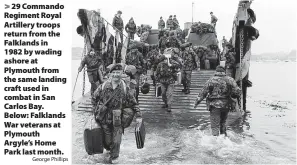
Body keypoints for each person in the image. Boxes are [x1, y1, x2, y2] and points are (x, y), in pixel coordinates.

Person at [92, 63, 142, 164]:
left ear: (121, 73)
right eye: (114, 73)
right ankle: (110, 151)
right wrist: (96, 110)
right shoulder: (103, 86)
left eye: (118, 73)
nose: (116, 75)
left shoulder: (124, 88)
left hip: (118, 119)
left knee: (116, 141)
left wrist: (139, 116)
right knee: (108, 142)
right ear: (110, 74)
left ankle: (114, 159)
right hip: (105, 118)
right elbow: (94, 98)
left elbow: (133, 102)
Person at [194, 65, 241, 136]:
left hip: (214, 106)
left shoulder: (211, 80)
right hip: (226, 105)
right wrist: (232, 96)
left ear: (216, 71)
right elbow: (238, 92)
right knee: (223, 123)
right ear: (224, 71)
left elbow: (203, 93)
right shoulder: (230, 80)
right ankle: (224, 139)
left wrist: (196, 103)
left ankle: (216, 143)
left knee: (215, 126)